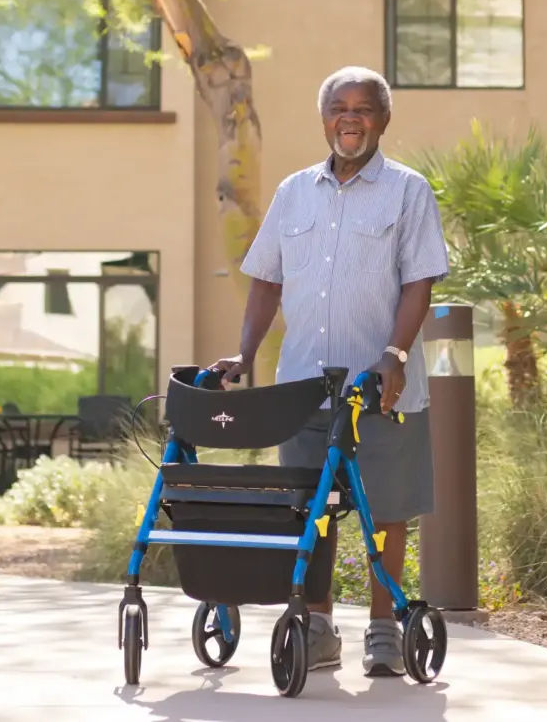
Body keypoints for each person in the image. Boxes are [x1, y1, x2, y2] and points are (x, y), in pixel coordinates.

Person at [211, 65, 449, 677]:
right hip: (303, 390)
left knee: (387, 511)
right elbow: (266, 279)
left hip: (379, 389)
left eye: (364, 108)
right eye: (339, 107)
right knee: (306, 510)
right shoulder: (293, 192)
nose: (351, 117)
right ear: (324, 120)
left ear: (383, 119)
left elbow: (418, 283)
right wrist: (245, 353)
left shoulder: (408, 190)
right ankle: (317, 628)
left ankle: (382, 633)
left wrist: (395, 356)